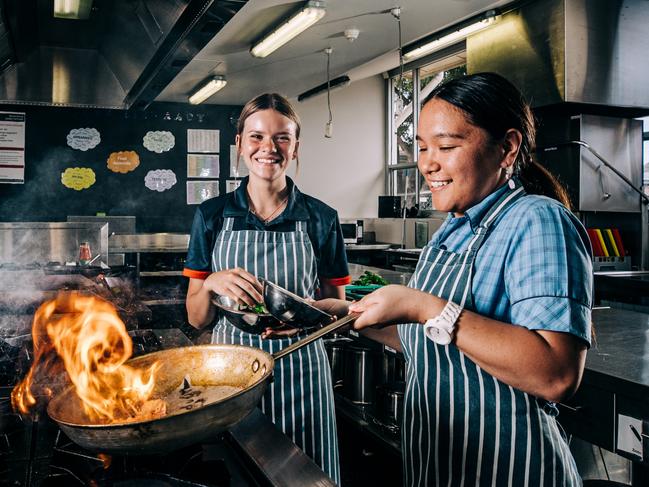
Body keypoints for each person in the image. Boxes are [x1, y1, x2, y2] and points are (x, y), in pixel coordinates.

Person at [322, 72, 593, 486]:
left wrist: (423, 305)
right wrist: (337, 315)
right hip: (441, 466)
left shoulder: (537, 220)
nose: (428, 163)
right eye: (423, 147)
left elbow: (555, 373)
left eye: (447, 146)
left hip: (510, 469)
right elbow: (430, 339)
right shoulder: (452, 229)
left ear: (507, 147)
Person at [183, 93, 350, 484]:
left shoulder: (321, 218)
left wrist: (307, 312)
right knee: (238, 471)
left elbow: (336, 313)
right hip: (230, 370)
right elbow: (195, 317)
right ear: (239, 144)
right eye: (256, 137)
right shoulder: (211, 215)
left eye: (282, 138)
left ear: (295, 147)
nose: (268, 148)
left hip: (302, 367)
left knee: (308, 475)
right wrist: (209, 284)